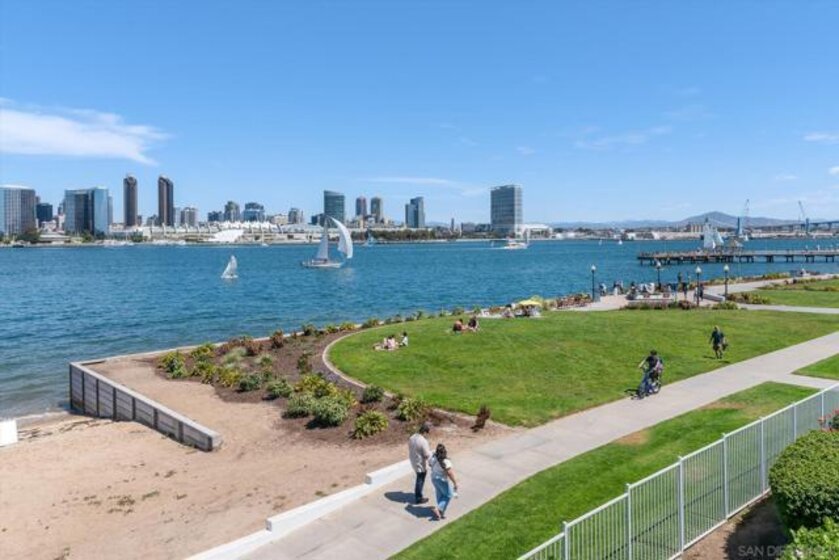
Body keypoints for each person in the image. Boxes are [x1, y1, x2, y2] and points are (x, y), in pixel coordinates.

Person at [429, 443, 459, 520]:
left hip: (434, 478)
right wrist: (455, 483)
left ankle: (440, 513)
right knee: (448, 495)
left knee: (440, 494)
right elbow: (450, 473)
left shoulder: (433, 458)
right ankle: (438, 509)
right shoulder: (446, 461)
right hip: (441, 480)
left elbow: (429, 464)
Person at [408, 423, 432, 504]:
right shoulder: (423, 441)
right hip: (420, 463)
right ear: (424, 432)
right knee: (420, 479)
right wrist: (431, 463)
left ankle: (418, 495)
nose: (427, 435)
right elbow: (426, 455)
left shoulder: (412, 437)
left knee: (419, 477)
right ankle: (418, 497)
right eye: (427, 433)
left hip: (413, 460)